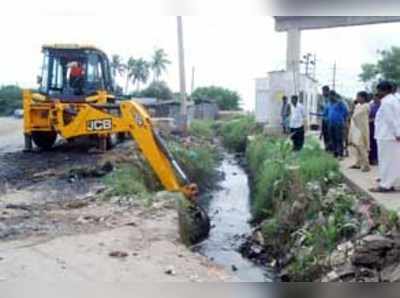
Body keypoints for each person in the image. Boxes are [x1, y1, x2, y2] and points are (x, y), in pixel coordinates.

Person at [370, 81, 400, 193]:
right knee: (391, 162)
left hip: (387, 136)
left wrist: (397, 133)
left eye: (379, 90)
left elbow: (391, 120)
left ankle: (385, 185)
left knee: (385, 161)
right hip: (390, 136)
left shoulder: (387, 102)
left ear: (385, 90)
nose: (378, 93)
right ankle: (390, 183)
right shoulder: (393, 100)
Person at [348, 91, 370, 172]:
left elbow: (355, 116)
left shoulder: (366, 106)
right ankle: (358, 163)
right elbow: (352, 114)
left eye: (358, 97)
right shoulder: (358, 106)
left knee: (362, 147)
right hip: (355, 129)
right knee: (356, 147)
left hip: (361, 129)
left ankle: (366, 165)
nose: (357, 98)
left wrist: (352, 112)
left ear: (363, 98)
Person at [327, 90, 349, 158]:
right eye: (329, 96)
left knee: (339, 139)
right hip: (331, 124)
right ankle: (335, 153)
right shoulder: (329, 104)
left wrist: (345, 122)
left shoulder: (340, 103)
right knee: (332, 139)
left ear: (334, 96)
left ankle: (340, 154)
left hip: (338, 124)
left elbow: (346, 113)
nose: (329, 97)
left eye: (331, 95)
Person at [369, 94, 380, 165]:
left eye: (376, 98)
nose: (375, 99)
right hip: (371, 127)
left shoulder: (382, 106)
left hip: (378, 127)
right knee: (371, 143)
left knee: (376, 144)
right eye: (374, 98)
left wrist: (374, 119)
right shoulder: (371, 106)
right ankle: (371, 159)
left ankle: (376, 159)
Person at [320, 86, 332, 151]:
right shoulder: (324, 99)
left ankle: (330, 148)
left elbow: (329, 108)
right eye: (322, 91)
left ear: (327, 91)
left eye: (323, 91)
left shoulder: (331, 99)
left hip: (329, 120)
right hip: (324, 119)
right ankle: (326, 147)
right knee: (325, 134)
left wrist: (323, 108)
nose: (323, 93)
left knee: (329, 134)